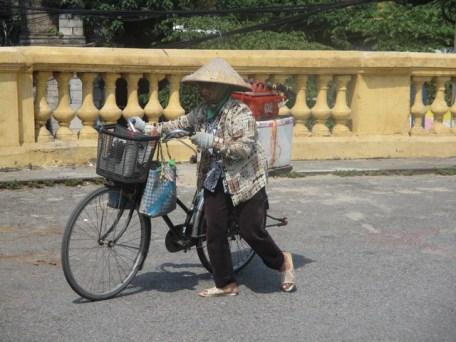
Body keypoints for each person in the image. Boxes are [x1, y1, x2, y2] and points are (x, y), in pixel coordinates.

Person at [132, 58, 295, 297]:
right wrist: (149, 128)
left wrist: (213, 142)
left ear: (224, 89)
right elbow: (180, 124)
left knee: (251, 230)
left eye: (209, 86)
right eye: (202, 86)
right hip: (214, 176)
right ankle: (226, 283)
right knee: (214, 230)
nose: (204, 90)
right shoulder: (201, 112)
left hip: (245, 178)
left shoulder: (240, 113)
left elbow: (244, 149)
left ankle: (283, 262)